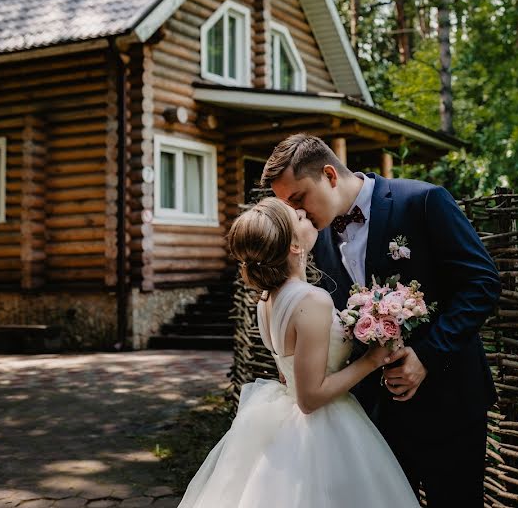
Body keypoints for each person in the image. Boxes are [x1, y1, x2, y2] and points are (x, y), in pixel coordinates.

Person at [261, 134, 501, 507]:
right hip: (373, 416)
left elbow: (482, 283)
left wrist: (426, 355)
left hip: (449, 402)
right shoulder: (318, 239)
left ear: (329, 174)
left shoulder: (423, 201)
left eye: (298, 199)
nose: (299, 215)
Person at [177, 198, 420, 507]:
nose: (309, 216)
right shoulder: (311, 300)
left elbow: (286, 370)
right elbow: (309, 398)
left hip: (285, 417)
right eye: (301, 218)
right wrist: (372, 359)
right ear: (293, 246)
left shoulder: (267, 300)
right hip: (322, 428)